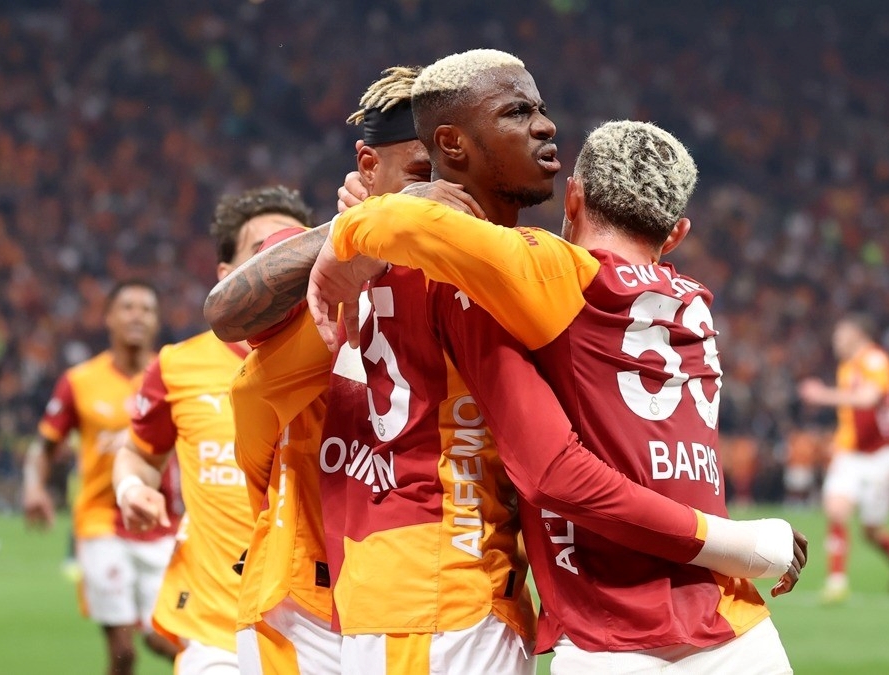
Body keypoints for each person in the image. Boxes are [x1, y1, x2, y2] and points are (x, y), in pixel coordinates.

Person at [212, 50, 801, 674]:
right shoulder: (423, 278)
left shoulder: (518, 271)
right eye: (517, 113)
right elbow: (243, 364)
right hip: (427, 591)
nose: (545, 126)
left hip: (447, 591)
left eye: (539, 110)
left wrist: (366, 221)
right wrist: (356, 226)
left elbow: (250, 386)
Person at [220, 67, 431, 675]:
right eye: (421, 175)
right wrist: (353, 231)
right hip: (303, 604)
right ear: (368, 166)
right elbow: (231, 312)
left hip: (414, 594)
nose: (435, 193)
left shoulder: (465, 269)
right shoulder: (320, 277)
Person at [109, 186, 314, 674]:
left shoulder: (353, 354)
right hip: (217, 625)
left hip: (323, 626)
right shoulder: (178, 366)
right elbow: (138, 453)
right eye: (263, 251)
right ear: (227, 277)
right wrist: (131, 489)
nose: (282, 264)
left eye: (296, 250)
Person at [23, 280, 181, 675]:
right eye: (128, 307)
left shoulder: (176, 376)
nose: (137, 316)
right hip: (101, 523)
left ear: (157, 321)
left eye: (147, 309)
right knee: (123, 649)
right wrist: (34, 487)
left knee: (169, 640)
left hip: (162, 523)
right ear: (108, 317)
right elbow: (44, 447)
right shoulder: (80, 380)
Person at [798, 314, 889, 603]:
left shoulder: (874, 360)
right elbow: (852, 417)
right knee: (836, 509)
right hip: (851, 454)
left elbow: (868, 399)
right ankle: (837, 582)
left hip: (881, 454)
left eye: (840, 334)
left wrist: (822, 395)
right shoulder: (846, 367)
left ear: (857, 334)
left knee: (871, 530)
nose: (835, 340)